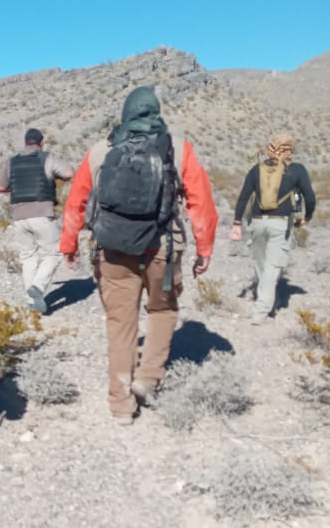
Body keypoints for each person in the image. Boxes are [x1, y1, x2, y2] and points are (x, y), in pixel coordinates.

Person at [60, 86, 218, 425]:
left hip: (114, 249)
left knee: (120, 325)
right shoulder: (178, 148)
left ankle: (121, 404)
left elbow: (76, 202)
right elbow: (201, 203)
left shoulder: (101, 150)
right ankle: (148, 377)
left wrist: (68, 244)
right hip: (163, 247)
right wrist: (204, 248)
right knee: (163, 310)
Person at [230, 133, 315, 324]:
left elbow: (243, 197)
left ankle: (267, 299)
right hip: (281, 223)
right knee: (272, 266)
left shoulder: (256, 169)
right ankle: (262, 310)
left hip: (258, 222)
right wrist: (307, 217)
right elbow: (309, 197)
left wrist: (237, 223)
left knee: (260, 263)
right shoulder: (297, 170)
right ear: (290, 149)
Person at [0, 127, 74, 314]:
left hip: (19, 216)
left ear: (24, 142)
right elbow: (69, 173)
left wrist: (14, 190)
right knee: (54, 253)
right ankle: (38, 287)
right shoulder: (47, 157)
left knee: (28, 258)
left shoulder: (11, 162)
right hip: (42, 213)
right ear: (41, 143)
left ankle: (32, 303)